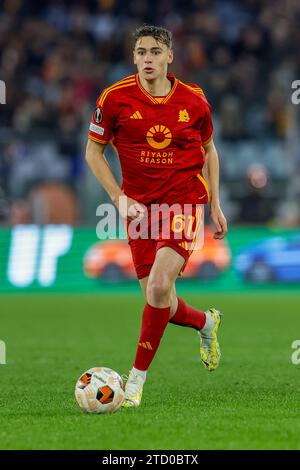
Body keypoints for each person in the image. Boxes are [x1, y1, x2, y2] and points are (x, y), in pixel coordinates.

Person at [85, 25, 227, 408]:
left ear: (169, 57)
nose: (147, 58)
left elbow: (209, 150)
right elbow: (93, 153)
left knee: (160, 286)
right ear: (134, 58)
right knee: (159, 298)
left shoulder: (194, 101)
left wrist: (213, 204)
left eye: (155, 51)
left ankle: (134, 384)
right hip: (138, 210)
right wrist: (117, 197)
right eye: (141, 52)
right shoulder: (115, 98)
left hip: (183, 202)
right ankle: (205, 323)